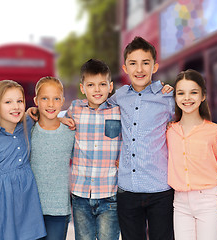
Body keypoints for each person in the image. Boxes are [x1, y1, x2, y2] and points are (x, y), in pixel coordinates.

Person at [108, 36, 175, 240]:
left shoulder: (167, 98)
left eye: (145, 63)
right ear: (124, 68)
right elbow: (95, 108)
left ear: (155, 66)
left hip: (160, 189)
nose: (139, 69)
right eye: (133, 63)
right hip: (128, 189)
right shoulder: (119, 96)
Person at [0, 80, 46, 240]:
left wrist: (63, 120)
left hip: (25, 210)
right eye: (8, 102)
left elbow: (50, 113)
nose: (16, 106)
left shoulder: (27, 124)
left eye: (19, 101)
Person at [65, 59, 121, 240]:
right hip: (80, 195)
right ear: (82, 88)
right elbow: (53, 121)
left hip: (110, 195)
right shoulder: (75, 109)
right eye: (91, 85)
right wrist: (31, 113)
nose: (97, 90)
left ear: (110, 86)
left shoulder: (118, 111)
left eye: (102, 84)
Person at [166, 69, 217, 240]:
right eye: (181, 93)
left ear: (203, 96)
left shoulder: (215, 131)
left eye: (193, 92)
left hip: (209, 201)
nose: (187, 98)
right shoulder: (169, 130)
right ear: (175, 97)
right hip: (180, 202)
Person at [30, 76, 75, 240]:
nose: (51, 104)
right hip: (31, 209)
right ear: (36, 100)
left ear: (62, 100)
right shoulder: (29, 132)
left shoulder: (70, 132)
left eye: (56, 98)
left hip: (59, 210)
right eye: (45, 98)